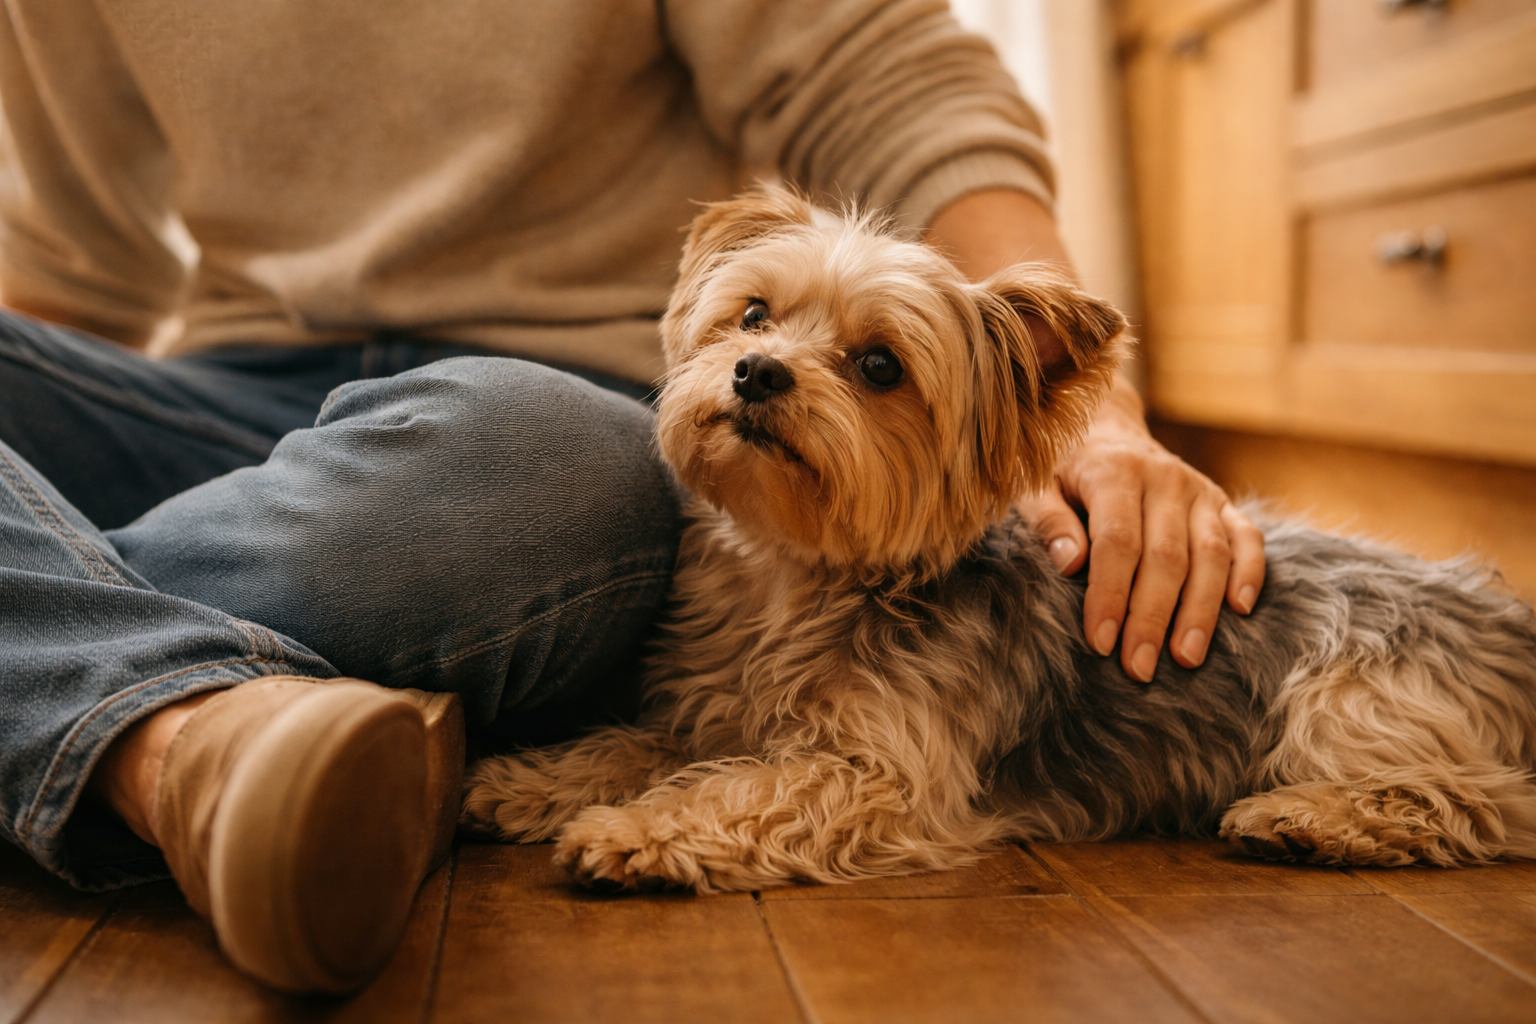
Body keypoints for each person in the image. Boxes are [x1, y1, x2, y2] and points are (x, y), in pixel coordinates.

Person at [0, 0, 1265, 993]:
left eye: (869, 362)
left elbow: (887, 74)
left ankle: (77, 671)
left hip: (540, 423)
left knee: (517, 467)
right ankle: (163, 726)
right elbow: (71, 264)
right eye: (763, 314)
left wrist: (1092, 416)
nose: (789, 345)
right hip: (227, 393)